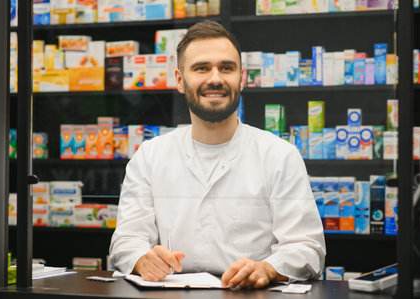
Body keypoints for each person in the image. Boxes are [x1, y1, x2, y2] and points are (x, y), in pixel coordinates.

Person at [109, 20, 326, 289]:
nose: (215, 78)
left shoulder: (279, 156)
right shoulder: (150, 156)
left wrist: (268, 268)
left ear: (241, 78)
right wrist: (142, 259)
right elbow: (126, 239)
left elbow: (308, 247)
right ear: (180, 80)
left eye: (226, 68)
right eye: (201, 68)